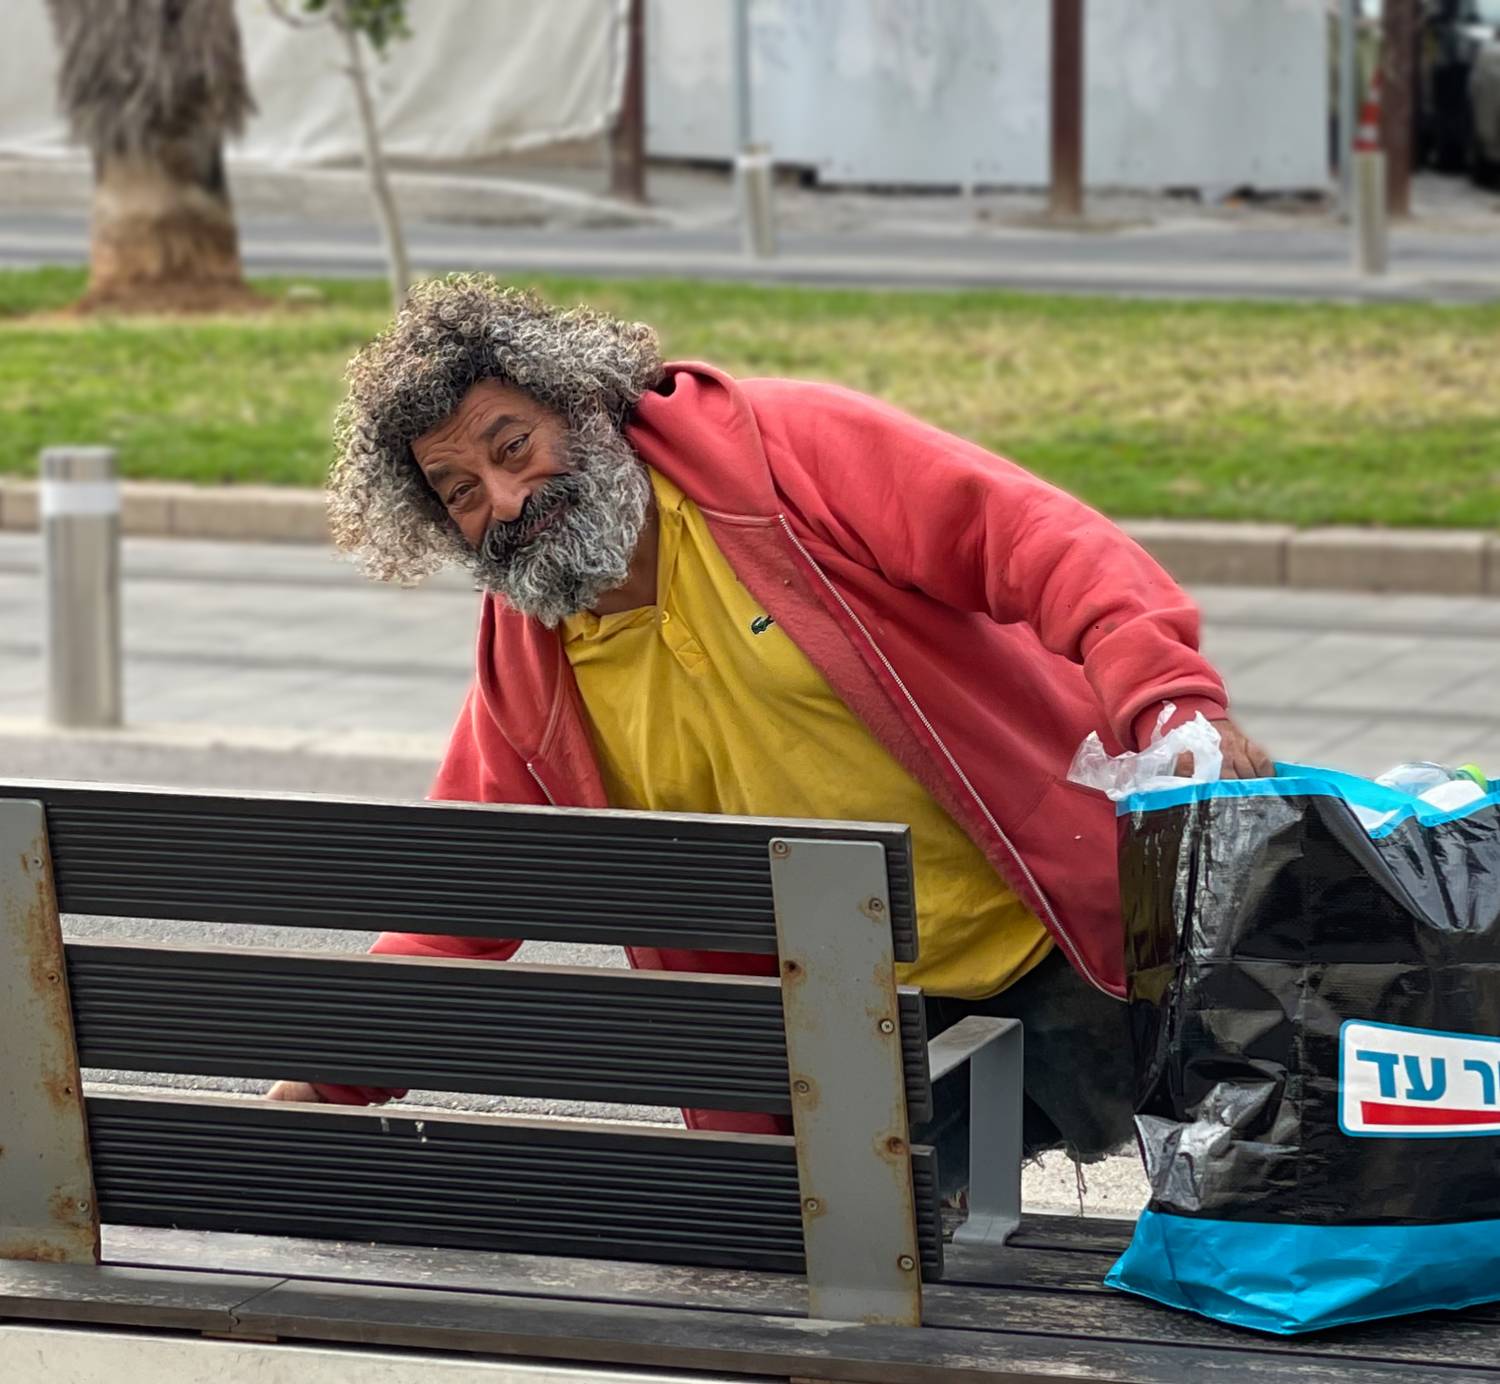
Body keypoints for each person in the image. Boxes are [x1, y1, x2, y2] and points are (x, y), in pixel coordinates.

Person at [267, 274, 1271, 1174]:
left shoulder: (781, 452)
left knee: (1244, 1224)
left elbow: (1036, 542)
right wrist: (323, 1076)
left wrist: (1169, 703)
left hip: (1069, 940)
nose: (505, 498)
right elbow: (469, 886)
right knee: (875, 1279)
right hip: (869, 1036)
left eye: (513, 445)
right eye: (460, 492)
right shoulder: (531, 660)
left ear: (584, 405)